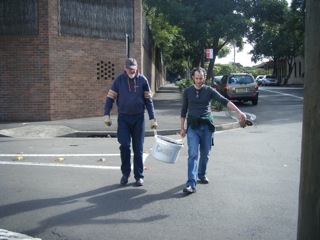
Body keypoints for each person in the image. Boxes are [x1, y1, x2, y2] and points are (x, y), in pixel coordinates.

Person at [180, 67, 247, 194]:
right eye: (197, 78)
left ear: (204, 78)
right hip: (193, 127)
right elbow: (183, 110)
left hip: (206, 127)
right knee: (193, 154)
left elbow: (224, 101)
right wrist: (182, 128)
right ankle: (191, 184)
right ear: (193, 77)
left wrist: (239, 111)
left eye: (201, 78)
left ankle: (201, 174)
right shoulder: (187, 91)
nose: (199, 81)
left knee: (205, 154)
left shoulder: (209, 90)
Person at [103, 58, 158, 187]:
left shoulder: (143, 80)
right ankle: (125, 174)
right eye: (129, 69)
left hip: (139, 118)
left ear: (137, 68)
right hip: (123, 118)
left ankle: (139, 176)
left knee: (138, 149)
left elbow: (148, 100)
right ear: (125, 68)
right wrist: (106, 114)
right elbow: (110, 97)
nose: (132, 71)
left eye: (134, 68)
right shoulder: (119, 80)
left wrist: (152, 118)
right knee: (124, 146)